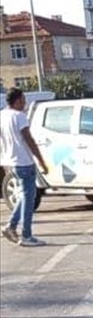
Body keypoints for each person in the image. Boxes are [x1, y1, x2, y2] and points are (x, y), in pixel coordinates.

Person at [1, 88, 50, 248]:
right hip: (24, 161)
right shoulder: (19, 117)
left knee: (25, 196)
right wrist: (41, 161)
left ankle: (11, 226)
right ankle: (26, 235)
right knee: (29, 200)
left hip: (10, 161)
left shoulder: (2, 115)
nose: (25, 103)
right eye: (23, 100)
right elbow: (29, 140)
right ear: (16, 101)